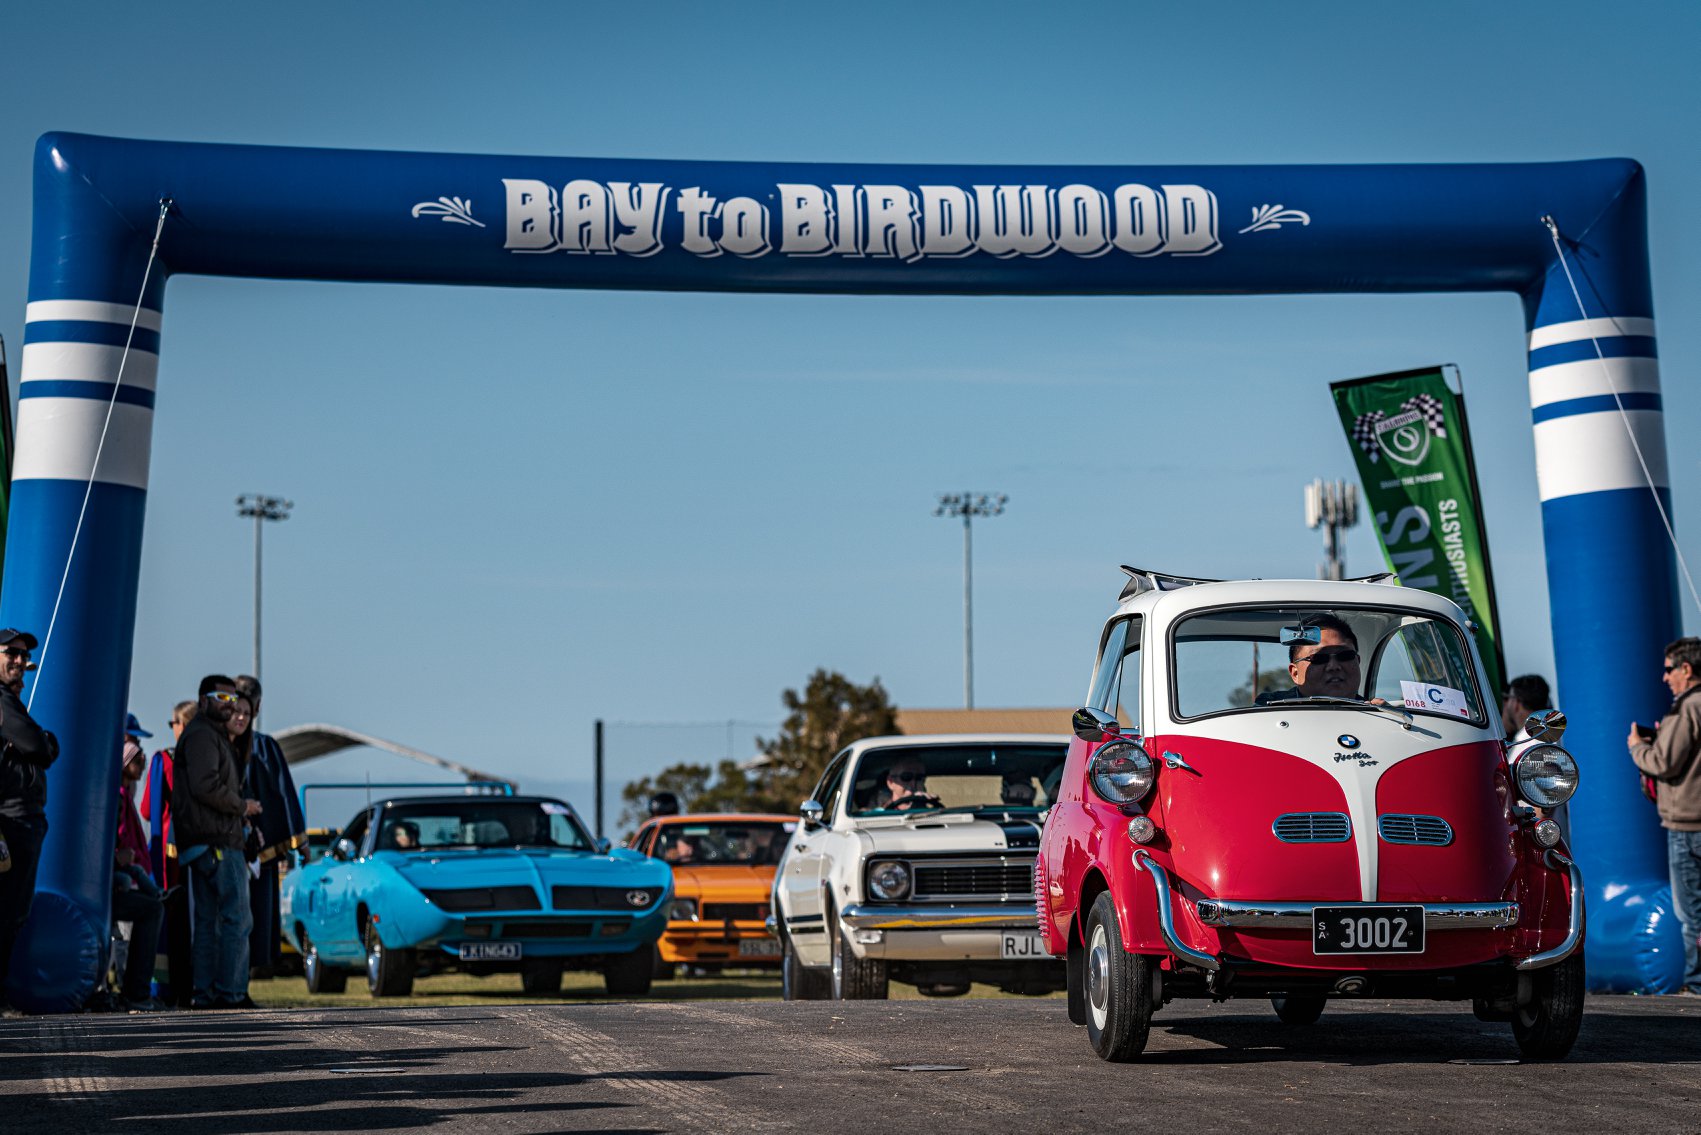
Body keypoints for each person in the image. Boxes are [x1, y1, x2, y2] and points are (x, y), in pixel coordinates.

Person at [172, 676, 261, 1009]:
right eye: (221, 696)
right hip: (217, 843)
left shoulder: (209, 735)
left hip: (206, 841)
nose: (229, 703)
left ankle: (206, 994)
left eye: (232, 697)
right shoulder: (203, 736)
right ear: (203, 700)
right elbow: (205, 785)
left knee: (209, 923)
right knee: (237, 918)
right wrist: (243, 806)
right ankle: (229, 993)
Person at [1627, 636, 1701, 996]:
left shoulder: (1687, 707)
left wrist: (1639, 747)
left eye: (1670, 669)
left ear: (1686, 669)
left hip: (1687, 826)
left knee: (1691, 914)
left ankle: (1698, 984)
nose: (1664, 677)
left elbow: (1664, 763)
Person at [232, 675, 306, 981]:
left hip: (243, 848)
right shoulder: (261, 747)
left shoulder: (235, 744)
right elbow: (284, 795)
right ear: (258, 705)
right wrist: (297, 839)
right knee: (248, 917)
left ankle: (237, 983)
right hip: (250, 849)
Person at [0, 628, 57, 1010]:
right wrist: (45, 740)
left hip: (24, 821)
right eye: (11, 652)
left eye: (23, 654)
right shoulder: (2, 701)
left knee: (13, 914)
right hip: (10, 823)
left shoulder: (12, 702)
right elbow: (41, 746)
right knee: (6, 914)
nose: (19, 660)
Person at [141, 699, 196, 1005]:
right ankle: (190, 987)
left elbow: (148, 809)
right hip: (200, 851)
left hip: (167, 856)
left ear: (182, 725)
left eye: (173, 723)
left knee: (166, 923)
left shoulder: (165, 760)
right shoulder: (205, 759)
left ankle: (163, 989)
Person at [111, 716, 165, 1011]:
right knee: (138, 923)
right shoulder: (119, 797)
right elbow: (120, 843)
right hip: (121, 881)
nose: (142, 760)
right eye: (136, 753)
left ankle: (132, 990)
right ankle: (134, 991)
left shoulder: (124, 796)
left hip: (129, 877)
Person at [1503, 674, 1553, 739]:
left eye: (1507, 698)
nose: (1505, 703)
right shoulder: (1551, 736)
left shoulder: (1522, 741)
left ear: (1516, 703)